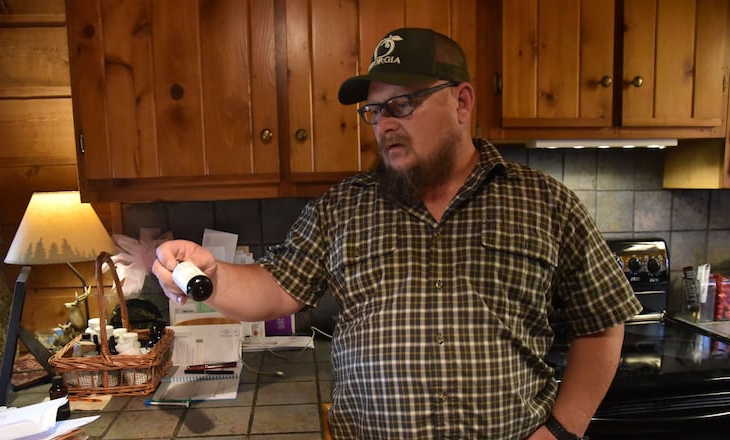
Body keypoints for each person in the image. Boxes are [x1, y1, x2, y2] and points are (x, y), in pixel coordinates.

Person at [153, 27, 641, 440]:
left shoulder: (546, 204)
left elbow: (601, 322)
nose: (383, 123)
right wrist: (214, 277)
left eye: (401, 105)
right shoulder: (342, 207)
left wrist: (560, 431)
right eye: (374, 111)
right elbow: (276, 288)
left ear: (462, 101)